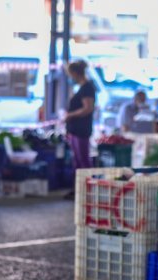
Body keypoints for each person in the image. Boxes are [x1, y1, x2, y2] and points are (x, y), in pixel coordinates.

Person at [64, 60, 96, 200]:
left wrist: (70, 115)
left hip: (81, 130)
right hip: (75, 130)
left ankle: (89, 190)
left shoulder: (87, 88)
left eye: (71, 74)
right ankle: (78, 189)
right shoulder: (82, 88)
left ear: (76, 73)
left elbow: (88, 108)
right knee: (77, 161)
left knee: (83, 161)